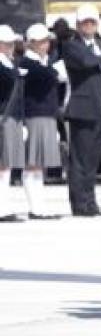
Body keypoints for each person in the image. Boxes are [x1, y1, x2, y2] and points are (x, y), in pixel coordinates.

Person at [61, 4, 101, 217]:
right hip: (82, 110)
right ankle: (80, 204)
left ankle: (91, 202)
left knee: (92, 159)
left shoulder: (98, 45)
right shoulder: (72, 45)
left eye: (93, 22)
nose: (89, 26)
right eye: (85, 22)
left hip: (98, 110)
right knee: (80, 160)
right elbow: (84, 61)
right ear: (78, 25)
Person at [18, 23, 65, 220]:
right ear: (31, 44)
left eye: (47, 41)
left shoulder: (44, 63)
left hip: (47, 116)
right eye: (41, 41)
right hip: (34, 116)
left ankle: (40, 205)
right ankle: (35, 207)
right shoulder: (28, 64)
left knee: (40, 165)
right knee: (32, 164)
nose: (46, 45)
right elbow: (49, 76)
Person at [0, 26, 25, 222]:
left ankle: (4, 206)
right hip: (3, 117)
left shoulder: (10, 63)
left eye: (11, 44)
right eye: (6, 43)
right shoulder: (4, 66)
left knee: (6, 165)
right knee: (2, 165)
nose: (9, 47)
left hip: (11, 118)